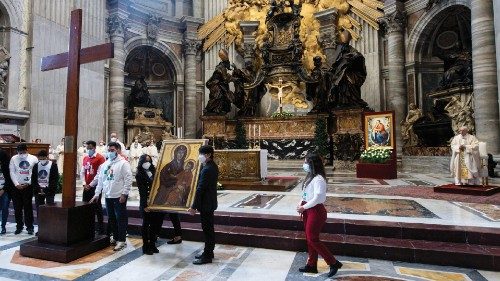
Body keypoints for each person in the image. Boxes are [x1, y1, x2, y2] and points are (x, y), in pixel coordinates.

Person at [296, 152, 342, 277]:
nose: (304, 164)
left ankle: (333, 262)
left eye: (305, 162)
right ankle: (311, 265)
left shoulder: (319, 179)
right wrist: (301, 203)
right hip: (308, 210)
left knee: (313, 239)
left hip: (316, 211)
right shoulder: (310, 176)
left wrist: (304, 207)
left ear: (312, 164)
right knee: (309, 239)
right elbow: (306, 194)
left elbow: (317, 198)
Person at [90, 142, 132, 251]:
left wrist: (124, 193)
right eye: (109, 150)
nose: (110, 152)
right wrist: (97, 193)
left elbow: (128, 179)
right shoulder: (105, 164)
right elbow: (100, 180)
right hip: (108, 195)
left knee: (120, 218)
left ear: (118, 150)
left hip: (119, 195)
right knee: (111, 218)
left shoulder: (123, 163)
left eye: (112, 150)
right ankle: (116, 237)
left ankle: (122, 240)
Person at [188, 145, 219, 265]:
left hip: (206, 203)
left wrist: (193, 206)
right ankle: (209, 252)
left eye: (201, 154)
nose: (199, 156)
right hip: (209, 202)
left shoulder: (207, 169)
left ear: (208, 155)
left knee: (207, 230)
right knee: (209, 229)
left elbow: (200, 189)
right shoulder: (212, 166)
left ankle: (207, 256)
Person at [137, 154, 165, 255]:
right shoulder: (139, 174)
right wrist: (145, 205)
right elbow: (142, 191)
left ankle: (152, 244)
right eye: (145, 161)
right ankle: (145, 246)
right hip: (146, 202)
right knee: (146, 224)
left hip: (155, 202)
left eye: (149, 161)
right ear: (141, 162)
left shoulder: (154, 171)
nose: (147, 163)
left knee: (155, 224)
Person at [9, 143, 38, 235]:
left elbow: (35, 173)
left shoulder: (33, 158)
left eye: (23, 152)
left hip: (28, 186)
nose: (21, 154)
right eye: (19, 152)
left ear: (27, 150)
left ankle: (30, 227)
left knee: (28, 207)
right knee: (17, 208)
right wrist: (16, 184)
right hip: (16, 187)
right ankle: (19, 226)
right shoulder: (14, 158)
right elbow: (12, 172)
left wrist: (28, 183)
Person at [81, 140, 106, 234]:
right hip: (86, 185)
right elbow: (82, 171)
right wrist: (84, 183)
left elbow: (99, 174)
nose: (89, 150)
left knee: (97, 207)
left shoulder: (100, 158)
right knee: (85, 206)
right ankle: (87, 227)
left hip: (95, 186)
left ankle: (100, 229)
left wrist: (91, 185)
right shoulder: (85, 158)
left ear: (94, 148)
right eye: (87, 148)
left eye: (90, 148)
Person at [32, 150, 59, 230]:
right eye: (40, 157)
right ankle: (41, 228)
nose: (41, 159)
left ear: (46, 157)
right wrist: (38, 188)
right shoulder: (36, 165)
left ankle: (49, 228)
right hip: (38, 190)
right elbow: (33, 178)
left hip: (49, 191)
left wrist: (47, 190)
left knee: (49, 209)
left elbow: (55, 179)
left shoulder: (53, 165)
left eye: (43, 157)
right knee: (39, 210)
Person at [0, 148, 13, 234]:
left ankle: (3, 226)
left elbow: (9, 179)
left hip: (5, 190)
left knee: (4, 208)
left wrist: (3, 189)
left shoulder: (7, 167)